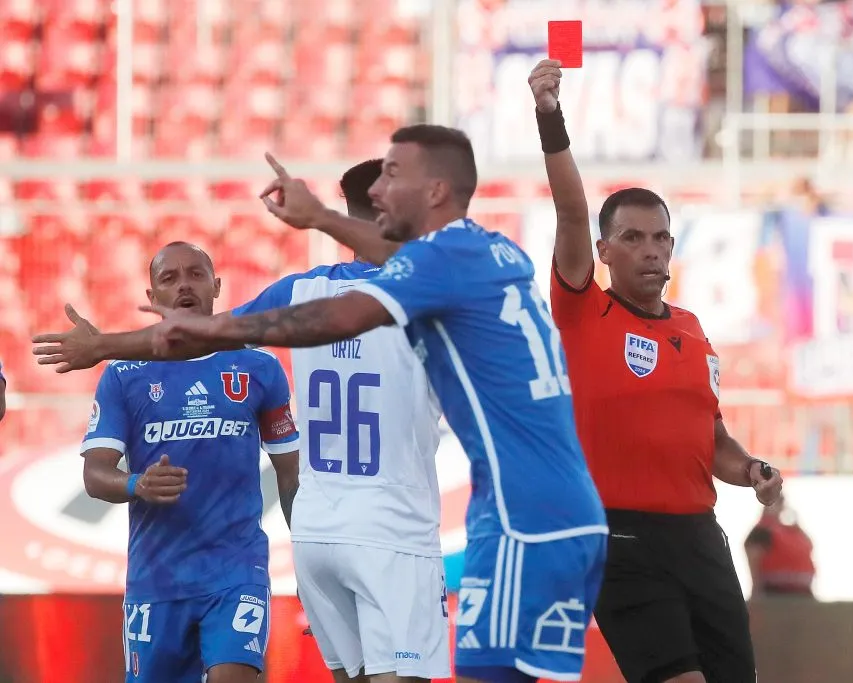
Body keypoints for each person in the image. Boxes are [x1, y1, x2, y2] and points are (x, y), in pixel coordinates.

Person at [79, 124, 609, 683]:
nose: (382, 189)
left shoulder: (341, 284)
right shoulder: (485, 255)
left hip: (327, 531)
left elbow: (307, 321)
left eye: (394, 174)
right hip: (418, 526)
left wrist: (109, 344)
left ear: (430, 191)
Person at [34, 159, 453, 683]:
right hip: (390, 531)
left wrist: (102, 344)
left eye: (195, 276)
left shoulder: (296, 300)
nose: (185, 287)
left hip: (309, 542)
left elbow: (211, 344)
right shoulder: (433, 295)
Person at [528, 58, 783, 683]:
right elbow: (569, 210)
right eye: (634, 238)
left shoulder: (692, 330)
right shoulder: (585, 311)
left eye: (661, 238)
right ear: (604, 250)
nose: (651, 250)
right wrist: (549, 117)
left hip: (700, 537)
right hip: (620, 538)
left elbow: (711, 439)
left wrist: (750, 470)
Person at [77, 242, 301, 683]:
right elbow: (94, 474)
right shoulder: (124, 374)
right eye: (169, 278)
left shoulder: (260, 368)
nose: (184, 285)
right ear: (152, 295)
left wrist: (309, 560)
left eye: (196, 274)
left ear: (216, 286)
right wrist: (136, 484)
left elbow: (290, 475)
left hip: (237, 571)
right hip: (156, 581)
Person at [744, 495, 816, 599]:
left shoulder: (795, 532)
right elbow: (753, 553)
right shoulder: (763, 532)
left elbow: (809, 546)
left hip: (803, 594)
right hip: (776, 594)